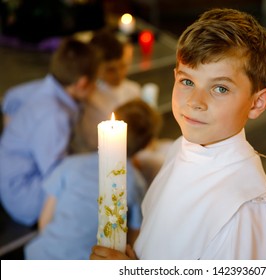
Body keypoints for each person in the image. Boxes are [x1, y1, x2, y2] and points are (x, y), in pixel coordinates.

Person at [91, 8, 266, 260]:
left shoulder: (243, 212)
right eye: (187, 82)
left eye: (220, 88)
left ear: (257, 103)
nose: (196, 102)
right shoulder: (180, 147)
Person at [24, 99, 162, 259]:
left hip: (43, 254)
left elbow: (45, 221)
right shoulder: (135, 183)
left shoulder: (71, 164)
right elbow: (134, 238)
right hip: (94, 259)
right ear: (145, 144)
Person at [0, 37, 100, 226]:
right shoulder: (54, 116)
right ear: (82, 83)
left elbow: (11, 97)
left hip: (16, 175)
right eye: (96, 82)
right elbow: (55, 174)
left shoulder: (49, 86)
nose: (97, 88)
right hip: (23, 194)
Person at [73, 29, 142, 153]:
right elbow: (90, 142)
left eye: (122, 66)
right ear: (96, 68)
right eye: (110, 70)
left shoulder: (133, 90)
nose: (119, 74)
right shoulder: (88, 98)